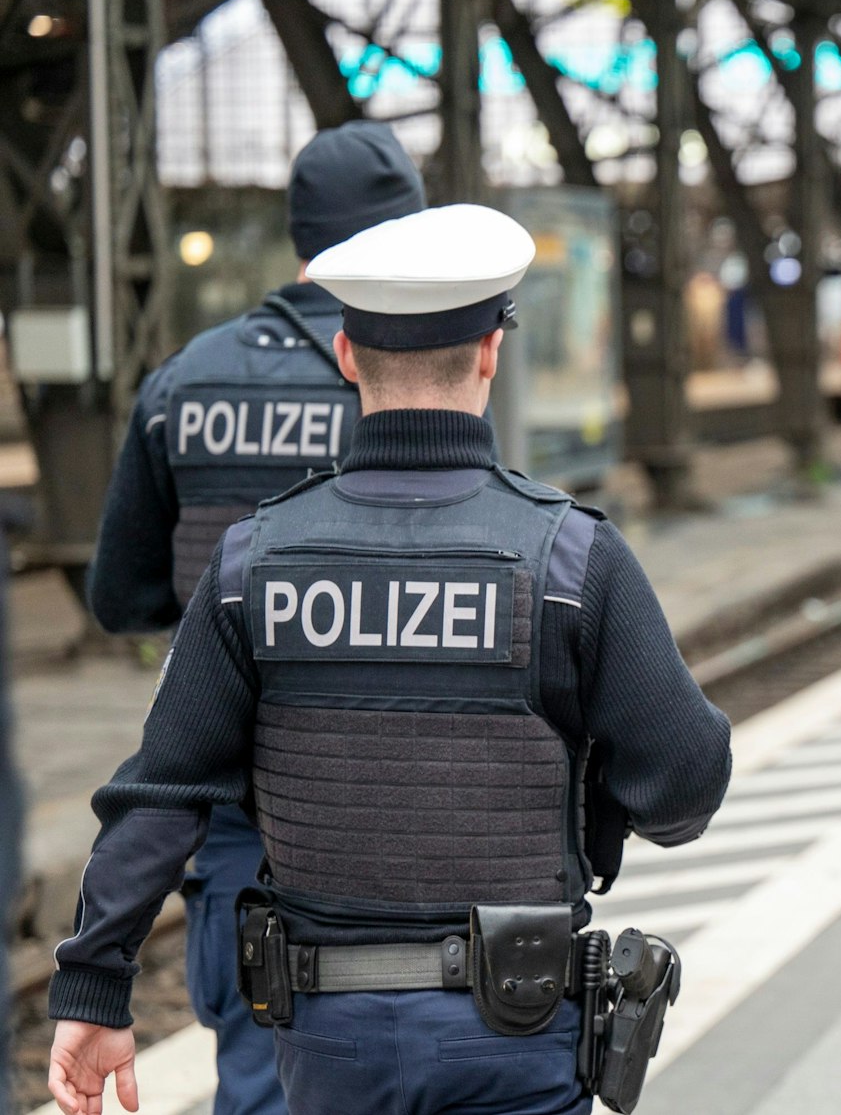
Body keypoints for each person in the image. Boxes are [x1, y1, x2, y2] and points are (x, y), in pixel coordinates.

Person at [47, 204, 733, 1115]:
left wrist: (94, 985)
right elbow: (685, 784)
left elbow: (162, 791)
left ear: (346, 357)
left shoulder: (254, 563)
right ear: (491, 352)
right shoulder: (572, 559)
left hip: (330, 1043)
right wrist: (592, 791)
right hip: (516, 1031)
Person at [81, 119, 425, 1115]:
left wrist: (214, 629)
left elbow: (119, 596)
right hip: (383, 802)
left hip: (232, 802)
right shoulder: (407, 381)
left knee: (258, 1072)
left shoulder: (182, 382)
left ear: (299, 233)